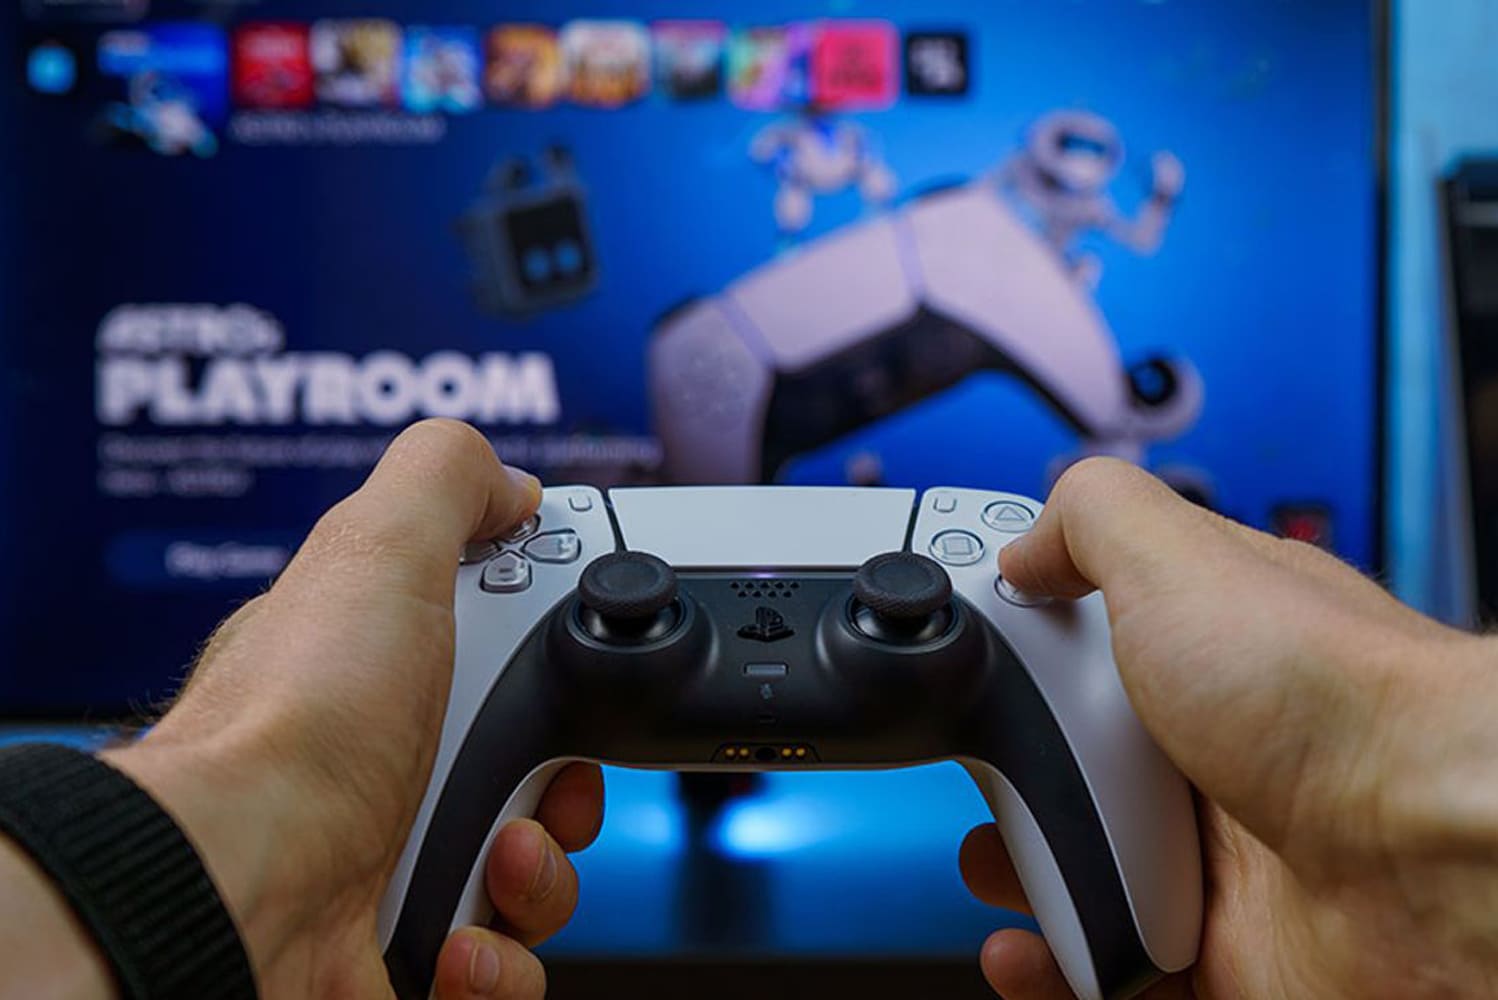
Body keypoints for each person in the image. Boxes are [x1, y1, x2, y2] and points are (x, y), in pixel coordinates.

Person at [1, 419, 1495, 1000]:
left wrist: (233, 817)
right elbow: (1145, 946)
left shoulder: (490, 591)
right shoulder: (1007, 563)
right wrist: (1394, 779)